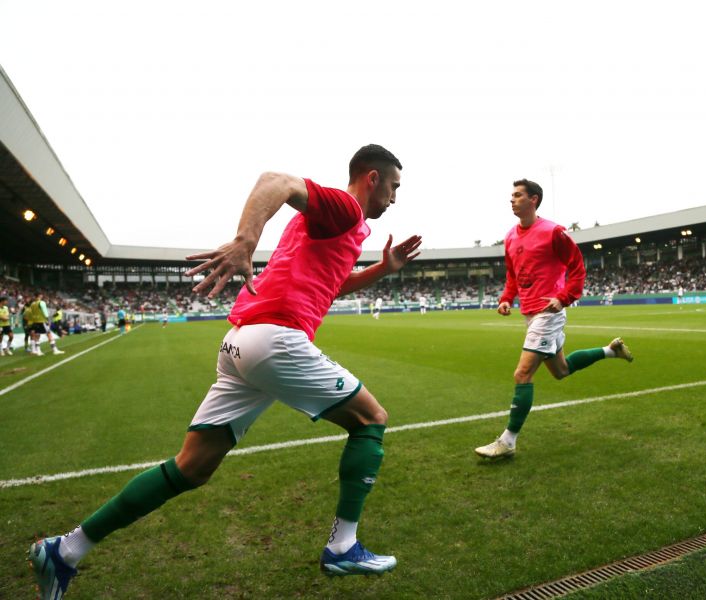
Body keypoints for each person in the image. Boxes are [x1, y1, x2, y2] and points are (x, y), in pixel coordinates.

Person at [28, 144, 422, 599]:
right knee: (372, 419)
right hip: (276, 339)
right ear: (371, 177)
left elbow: (332, 282)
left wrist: (382, 269)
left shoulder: (335, 226)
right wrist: (245, 240)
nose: (394, 199)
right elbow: (278, 180)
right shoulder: (346, 208)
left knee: (191, 467)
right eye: (393, 187)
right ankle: (343, 547)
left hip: (241, 343)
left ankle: (65, 550)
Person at [475, 179, 633, 460]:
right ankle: (611, 350)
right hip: (530, 312)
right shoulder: (510, 236)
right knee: (560, 371)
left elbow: (577, 267)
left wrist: (564, 297)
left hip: (549, 312)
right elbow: (513, 275)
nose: (512, 200)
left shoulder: (553, 232)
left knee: (523, 374)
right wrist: (506, 298)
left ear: (533, 200)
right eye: (511, 195)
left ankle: (508, 440)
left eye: (517, 195)